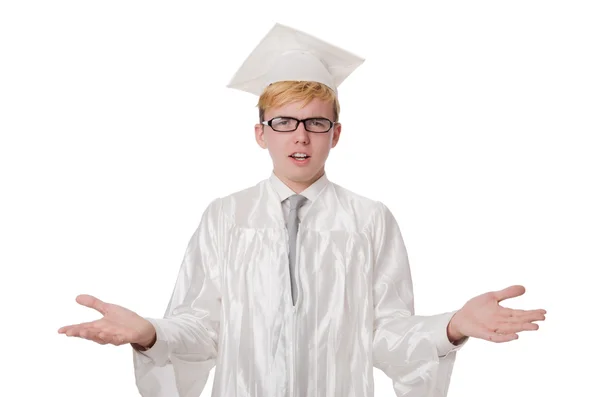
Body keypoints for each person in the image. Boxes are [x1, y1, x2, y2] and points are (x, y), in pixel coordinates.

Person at [58, 23, 546, 397]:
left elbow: (387, 334)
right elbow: (202, 328)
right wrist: (149, 334)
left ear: (335, 134)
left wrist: (451, 326)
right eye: (285, 121)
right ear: (260, 133)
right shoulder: (227, 216)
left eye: (316, 122)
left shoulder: (368, 220)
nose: (300, 135)